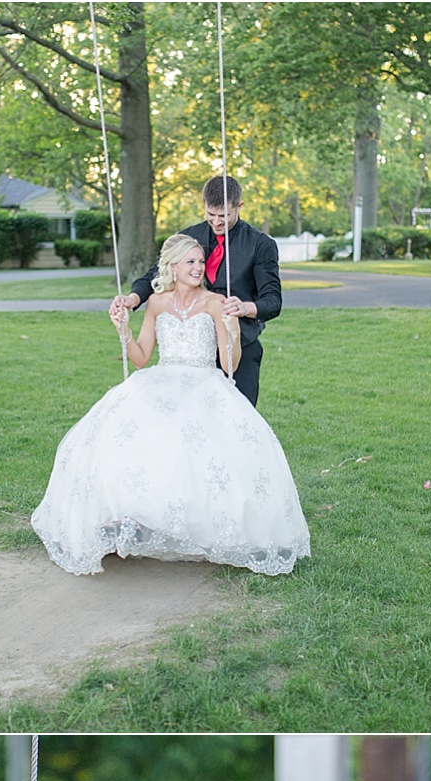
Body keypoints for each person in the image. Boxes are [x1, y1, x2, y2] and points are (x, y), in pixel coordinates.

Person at [30, 229, 310, 578]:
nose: (198, 267)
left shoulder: (215, 303)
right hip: (160, 379)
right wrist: (124, 331)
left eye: (200, 261)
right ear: (173, 267)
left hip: (204, 381)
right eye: (190, 262)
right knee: (132, 437)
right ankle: (131, 519)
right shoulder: (158, 302)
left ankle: (205, 527)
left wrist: (233, 329)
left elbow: (230, 365)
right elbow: (141, 358)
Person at [114, 175, 281, 409]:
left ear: (239, 207)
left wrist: (246, 307)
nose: (216, 222)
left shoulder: (260, 244)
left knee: (236, 419)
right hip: (190, 353)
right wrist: (134, 298)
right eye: (210, 214)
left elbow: (273, 301)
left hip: (239, 345)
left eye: (223, 216)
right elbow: (156, 272)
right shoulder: (189, 236)